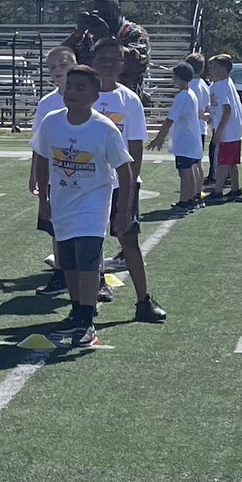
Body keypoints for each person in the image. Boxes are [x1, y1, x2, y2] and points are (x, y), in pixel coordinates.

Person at [33, 65, 134, 348]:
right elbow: (41, 157)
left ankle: (87, 320)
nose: (73, 92)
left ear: (94, 94)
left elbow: (124, 170)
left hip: (92, 206)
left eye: (81, 88)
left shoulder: (103, 128)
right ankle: (77, 312)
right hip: (63, 204)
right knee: (69, 263)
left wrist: (123, 211)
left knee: (88, 260)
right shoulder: (52, 122)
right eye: (70, 86)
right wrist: (44, 199)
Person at [90, 38, 167, 322]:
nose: (108, 64)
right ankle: (91, 294)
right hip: (88, 183)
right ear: (93, 61)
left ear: (123, 65)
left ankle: (143, 299)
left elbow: (135, 148)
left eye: (115, 60)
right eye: (103, 59)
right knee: (90, 240)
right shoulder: (81, 94)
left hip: (119, 183)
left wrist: (130, 185)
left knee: (129, 239)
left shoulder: (129, 100)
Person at [29, 45, 78, 296]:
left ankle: (95, 276)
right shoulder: (47, 103)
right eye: (52, 67)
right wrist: (34, 174)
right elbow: (38, 143)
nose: (58, 71)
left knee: (87, 226)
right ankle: (60, 274)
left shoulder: (91, 96)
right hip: (54, 175)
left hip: (84, 175)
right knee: (56, 226)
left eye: (64, 65)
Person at [63, 0, 158, 97]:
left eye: (106, 14)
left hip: (126, 97)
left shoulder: (134, 32)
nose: (101, 19)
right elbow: (59, 57)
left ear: (117, 12)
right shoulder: (87, 36)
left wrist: (105, 39)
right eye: (97, 15)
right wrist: (77, 32)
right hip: (91, 98)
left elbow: (136, 62)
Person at [147, 63, 204, 210]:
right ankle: (191, 198)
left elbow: (169, 119)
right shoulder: (191, 94)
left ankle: (184, 200)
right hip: (192, 140)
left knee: (184, 172)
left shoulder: (182, 97)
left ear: (178, 78)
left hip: (185, 142)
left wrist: (160, 137)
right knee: (190, 169)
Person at [206, 54, 242, 199]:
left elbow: (227, 110)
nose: (211, 70)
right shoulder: (221, 84)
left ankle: (217, 190)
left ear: (223, 69)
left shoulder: (222, 86)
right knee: (231, 162)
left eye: (214, 67)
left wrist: (219, 131)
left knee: (223, 161)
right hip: (232, 129)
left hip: (228, 130)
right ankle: (235, 188)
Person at [185, 53, 214, 186]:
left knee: (190, 163)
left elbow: (194, 108)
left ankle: (194, 190)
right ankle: (197, 189)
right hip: (200, 128)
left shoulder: (192, 86)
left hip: (192, 128)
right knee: (197, 161)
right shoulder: (203, 84)